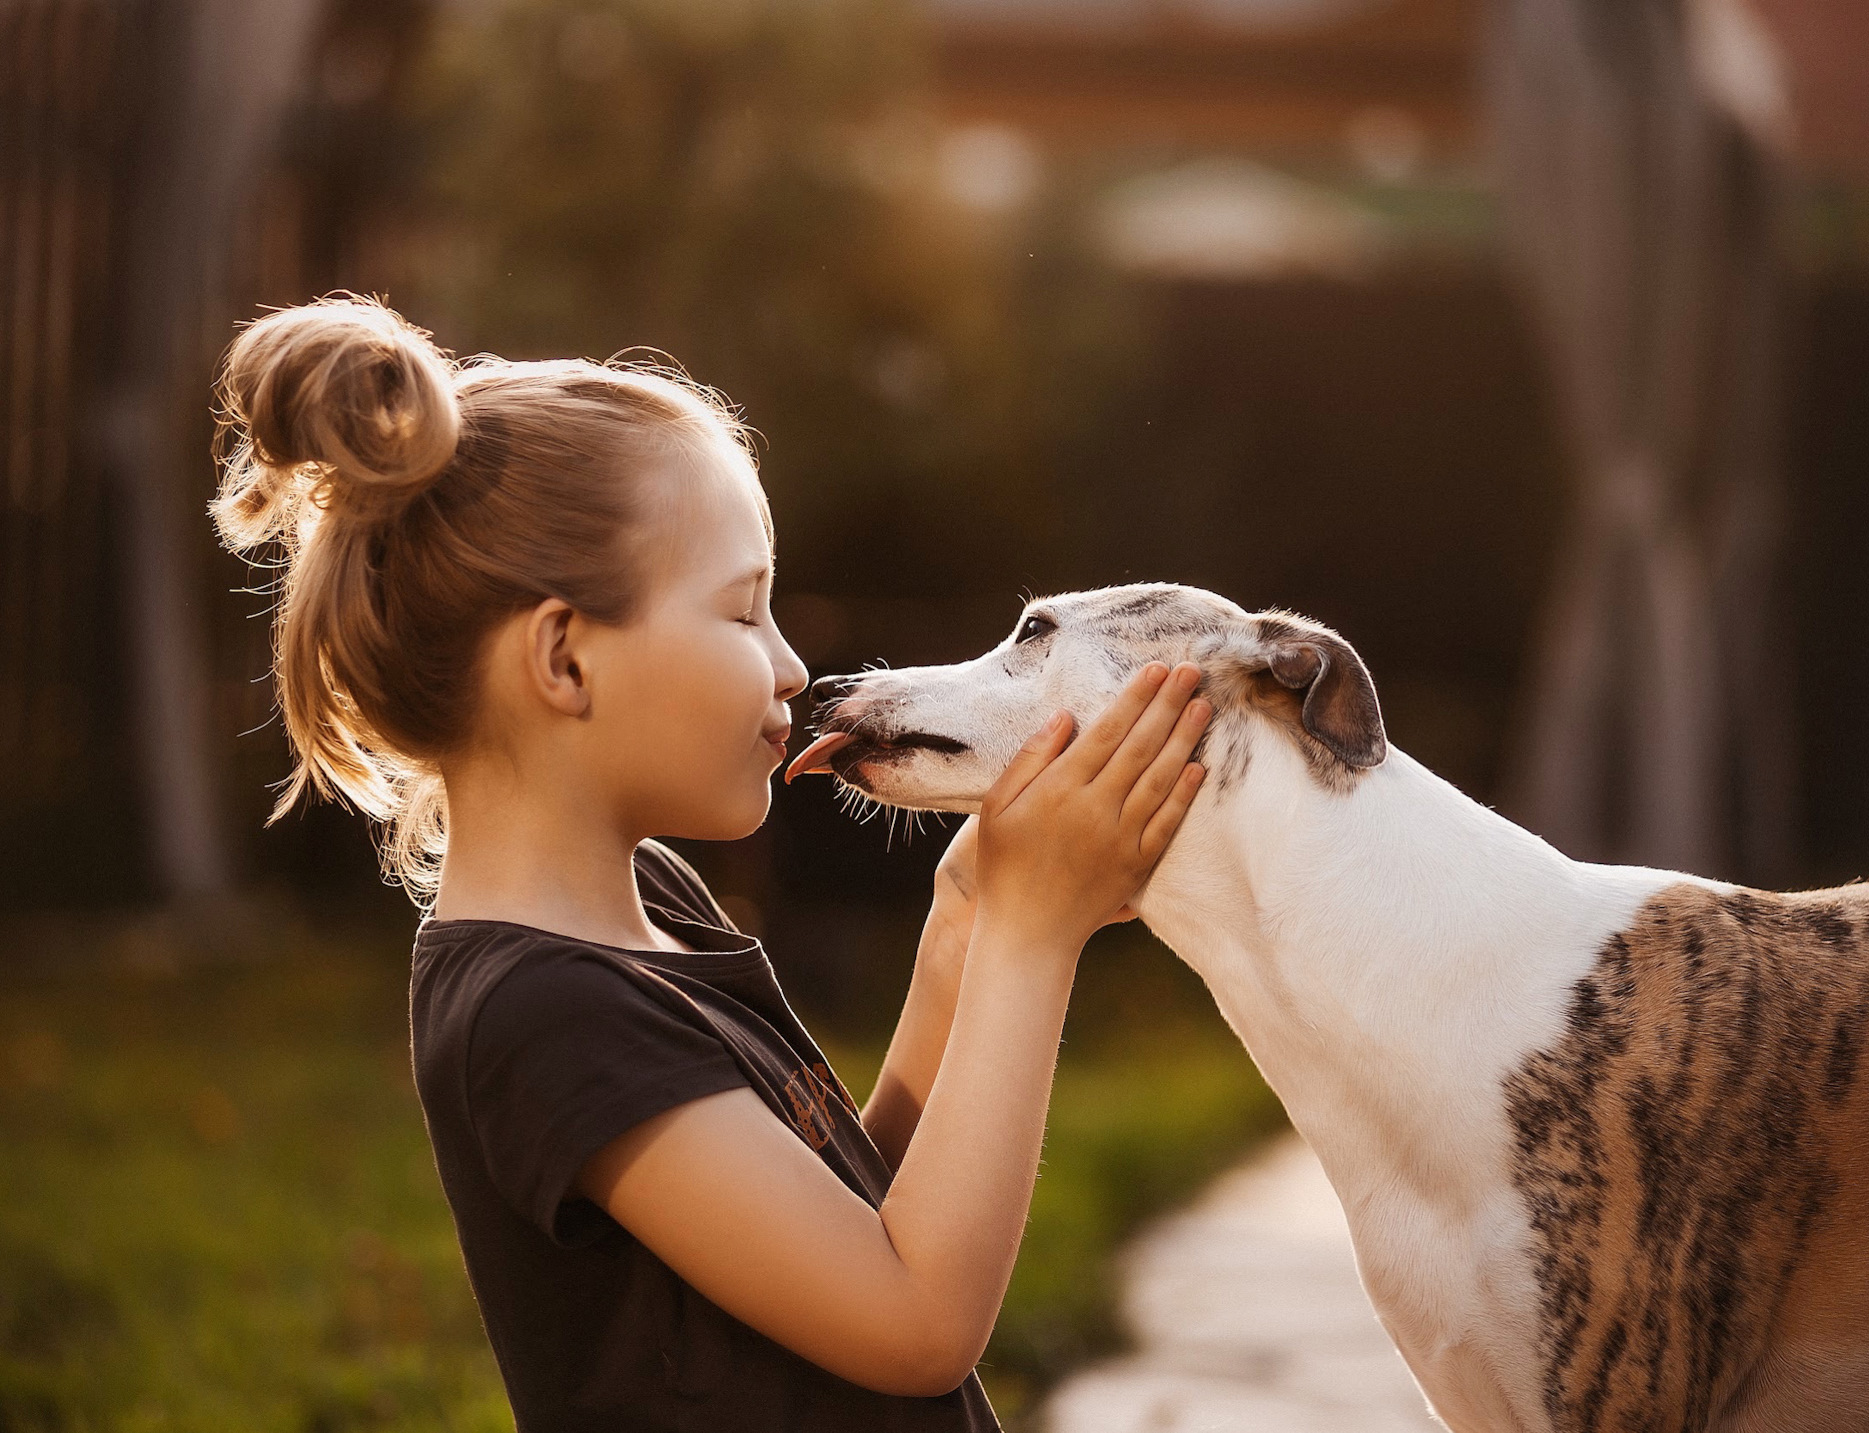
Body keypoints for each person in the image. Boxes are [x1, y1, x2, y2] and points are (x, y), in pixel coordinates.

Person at [209, 295, 1211, 1432]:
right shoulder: (541, 1011)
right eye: (745, 613)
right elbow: (918, 1319)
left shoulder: (655, 907)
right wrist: (1037, 936)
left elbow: (851, 1226)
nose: (791, 665)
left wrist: (962, 928)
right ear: (564, 660)